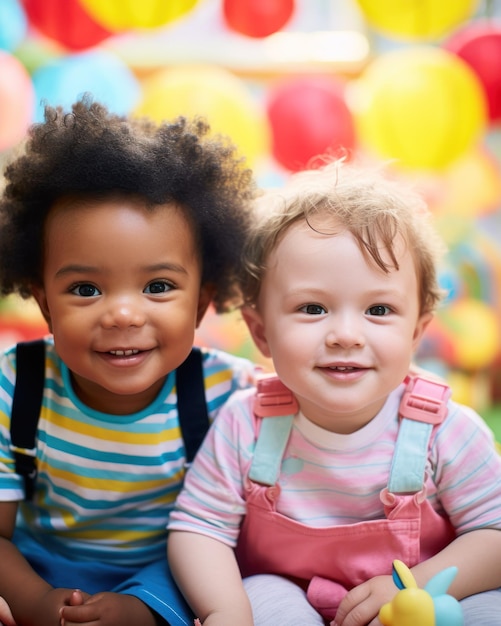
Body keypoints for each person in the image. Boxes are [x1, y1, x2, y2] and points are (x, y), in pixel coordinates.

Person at [167, 157, 501, 626]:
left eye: (379, 309)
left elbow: (495, 531)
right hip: (291, 595)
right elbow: (198, 528)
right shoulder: (248, 424)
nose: (346, 334)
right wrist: (226, 611)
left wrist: (415, 585)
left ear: (416, 332)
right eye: (313, 307)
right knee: (260, 594)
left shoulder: (445, 429)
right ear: (260, 332)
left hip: (422, 598)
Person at [0, 97, 258, 626]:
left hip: (177, 573)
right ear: (43, 300)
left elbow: (240, 537)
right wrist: (33, 601)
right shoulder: (15, 385)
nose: (121, 313)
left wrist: (145, 607)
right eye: (86, 288)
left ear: (203, 301)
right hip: (37, 570)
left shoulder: (233, 395)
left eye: (158, 286)